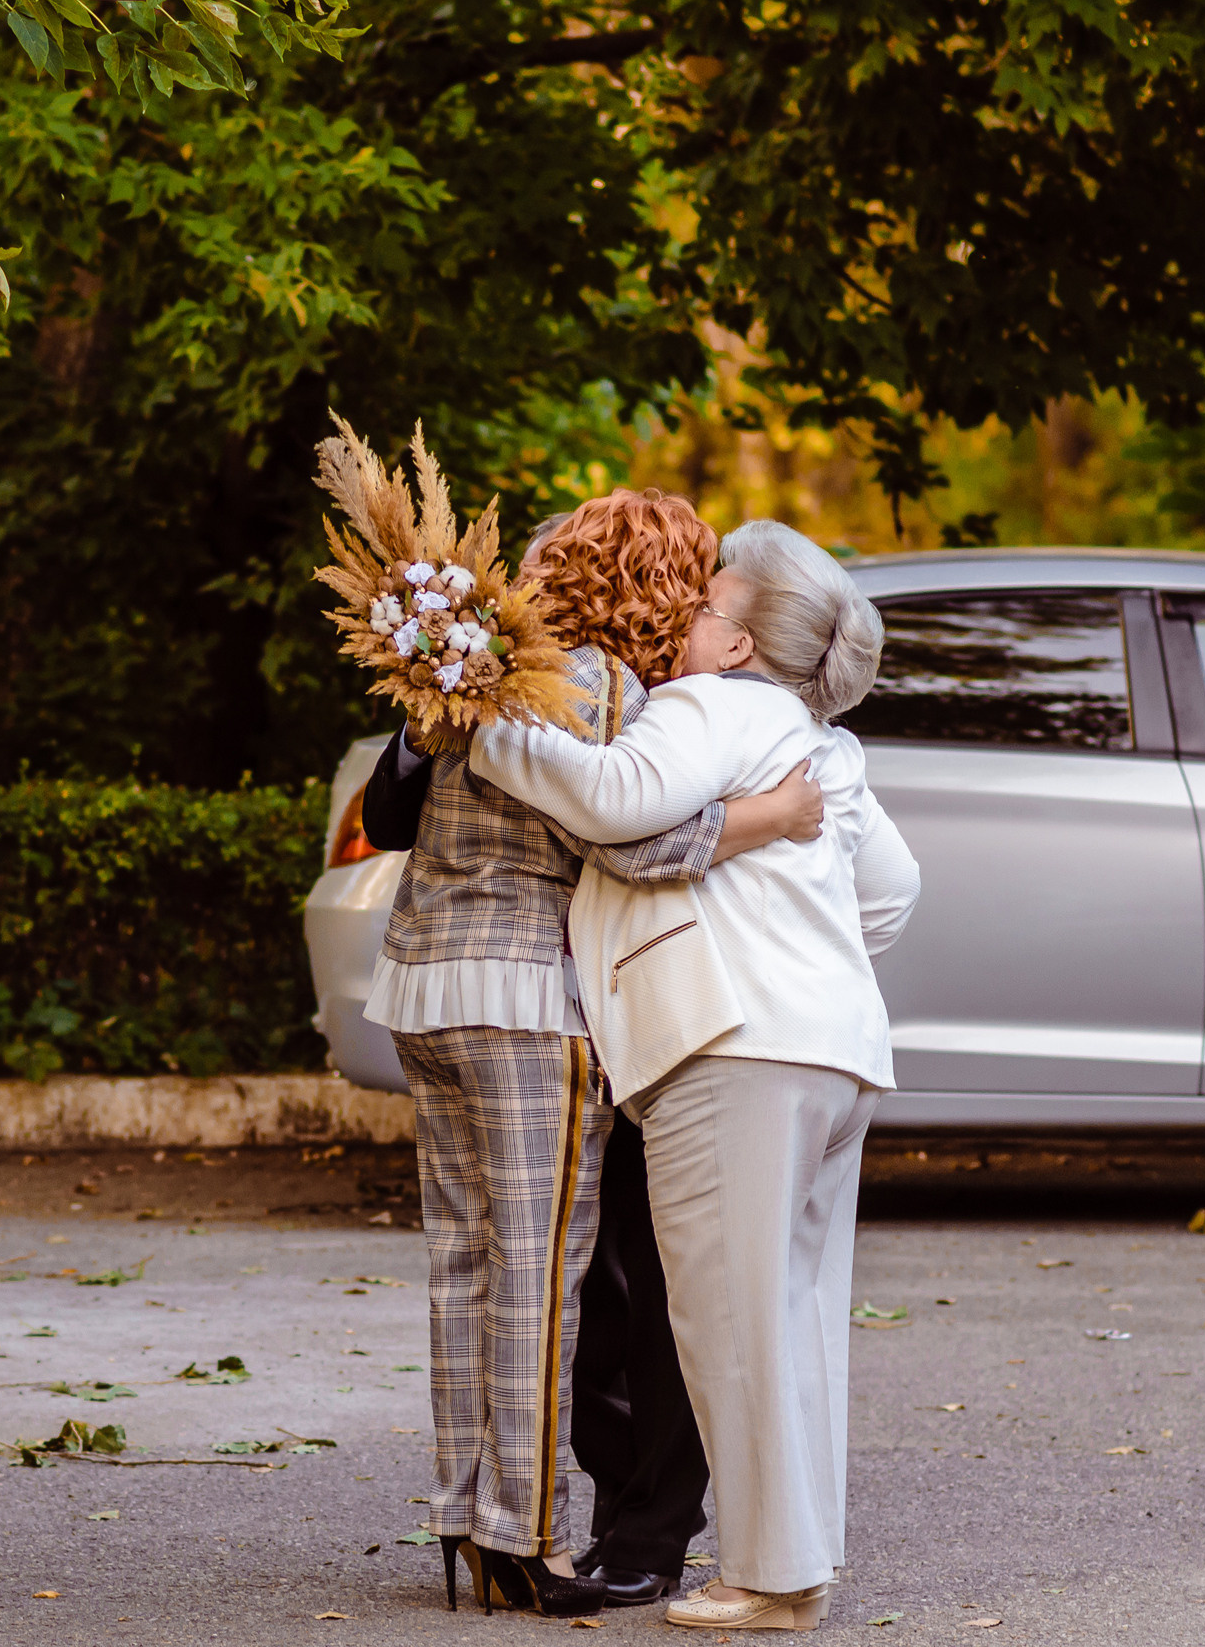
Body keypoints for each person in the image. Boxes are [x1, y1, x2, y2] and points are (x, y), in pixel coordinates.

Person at [361, 492, 823, 1618]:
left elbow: (406, 816)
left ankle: (463, 1519)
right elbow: (632, 843)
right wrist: (775, 816)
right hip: (527, 1000)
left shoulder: (470, 680)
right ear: (657, 587)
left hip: (421, 988)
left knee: (461, 1266)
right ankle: (525, 1541)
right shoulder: (601, 688)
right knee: (538, 1279)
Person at [468, 520, 922, 1631]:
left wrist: (487, 730)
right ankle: (795, 1563)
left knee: (725, 1325)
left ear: (740, 643)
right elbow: (892, 892)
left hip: (734, 1053)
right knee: (794, 1321)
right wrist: (802, 948)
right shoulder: (824, 744)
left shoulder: (711, 706)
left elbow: (615, 799)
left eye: (708, 607)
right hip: (835, 1051)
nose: (687, 622)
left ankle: (768, 1581)